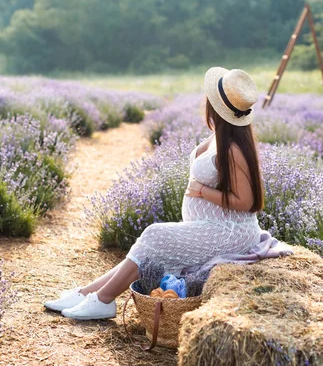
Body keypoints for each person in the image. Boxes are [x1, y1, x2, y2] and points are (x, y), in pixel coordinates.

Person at [44, 67, 293, 320]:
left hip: (231, 232)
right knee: (146, 247)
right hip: (212, 226)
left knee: (153, 235)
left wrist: (202, 191)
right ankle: (89, 293)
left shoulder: (233, 148)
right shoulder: (218, 137)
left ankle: (103, 300)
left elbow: (247, 202)